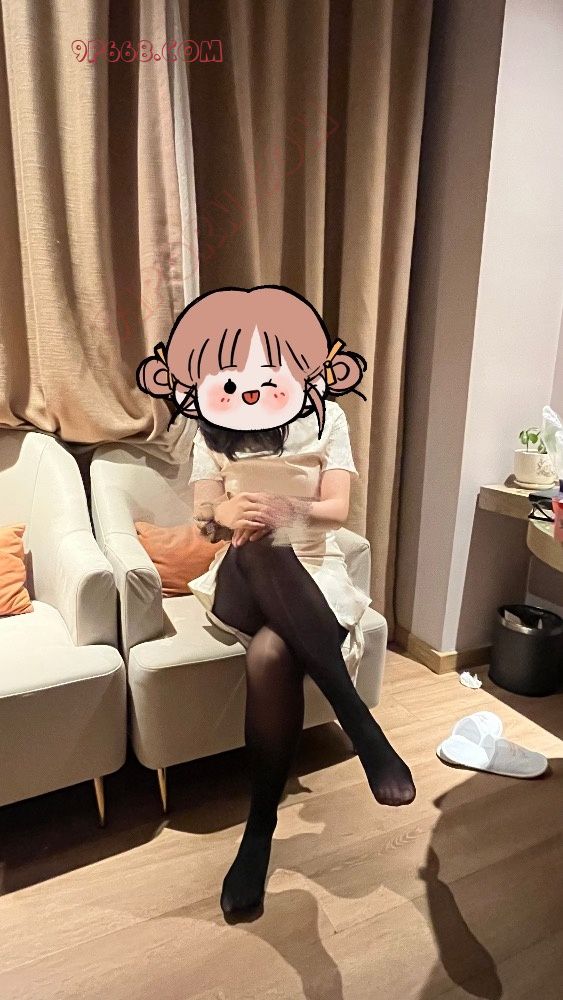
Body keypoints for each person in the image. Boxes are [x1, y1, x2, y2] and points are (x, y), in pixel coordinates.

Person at [136, 285, 416, 918]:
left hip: (314, 573)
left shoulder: (327, 418)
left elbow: (338, 510)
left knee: (269, 655)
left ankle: (258, 832)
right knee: (259, 543)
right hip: (240, 576)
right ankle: (360, 723)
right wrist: (226, 513)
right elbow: (206, 519)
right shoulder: (210, 425)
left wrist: (290, 511)